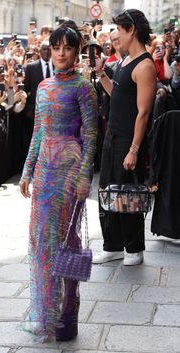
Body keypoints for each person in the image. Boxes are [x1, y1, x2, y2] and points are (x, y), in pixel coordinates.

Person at [19, 24, 98, 342]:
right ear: (50, 50)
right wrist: (26, 172)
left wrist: (84, 176)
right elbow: (38, 132)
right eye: (57, 47)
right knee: (41, 243)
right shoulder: (43, 87)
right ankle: (46, 315)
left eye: (68, 47)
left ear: (77, 51)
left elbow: (91, 135)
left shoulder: (83, 87)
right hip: (44, 174)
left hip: (70, 171)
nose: (62, 53)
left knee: (67, 241)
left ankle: (67, 313)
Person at [93, 9, 156, 266]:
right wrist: (101, 75)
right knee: (107, 190)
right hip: (112, 136)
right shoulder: (123, 61)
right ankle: (113, 244)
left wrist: (133, 149)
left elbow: (143, 113)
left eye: (119, 29)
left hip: (129, 140)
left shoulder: (145, 65)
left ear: (131, 30)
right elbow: (115, 95)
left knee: (127, 193)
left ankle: (134, 248)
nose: (116, 34)